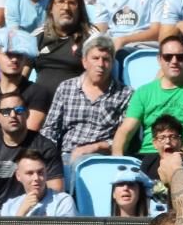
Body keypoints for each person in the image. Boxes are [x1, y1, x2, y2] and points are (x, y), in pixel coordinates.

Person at [113, 36, 183, 162]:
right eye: (168, 57)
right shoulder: (143, 92)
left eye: (180, 57)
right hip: (150, 156)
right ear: (159, 60)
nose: (174, 61)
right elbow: (125, 131)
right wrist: (118, 159)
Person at [41, 34, 133, 179]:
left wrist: (93, 147)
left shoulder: (125, 94)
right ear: (84, 62)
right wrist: (49, 155)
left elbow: (125, 139)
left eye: (106, 59)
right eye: (95, 58)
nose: (101, 64)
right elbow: (50, 128)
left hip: (101, 158)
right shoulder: (66, 88)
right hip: (66, 155)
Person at [0, 90, 63, 214]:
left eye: (19, 110)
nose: (13, 115)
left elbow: (55, 189)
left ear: (27, 114)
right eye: (6, 111)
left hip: (37, 211)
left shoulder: (45, 147)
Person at [33, 0, 100, 95]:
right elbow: (22, 75)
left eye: (72, 3)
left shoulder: (91, 37)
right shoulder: (38, 36)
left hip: (75, 104)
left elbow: (101, 75)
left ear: (79, 9)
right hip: (40, 104)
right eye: (61, 2)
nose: (66, 7)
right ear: (51, 8)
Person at [0, 149, 76, 216]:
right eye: (30, 173)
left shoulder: (62, 201)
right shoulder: (9, 206)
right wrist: (21, 213)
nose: (36, 178)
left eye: (40, 172)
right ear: (18, 176)